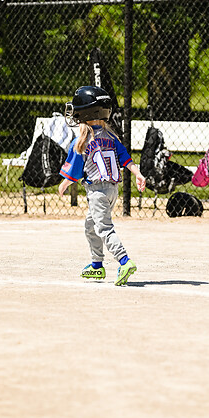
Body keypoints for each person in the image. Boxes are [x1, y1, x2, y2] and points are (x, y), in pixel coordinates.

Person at [58, 86, 146, 286]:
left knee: (104, 227)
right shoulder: (111, 137)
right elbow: (126, 159)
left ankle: (124, 261)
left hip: (97, 191)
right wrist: (138, 173)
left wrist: (64, 183)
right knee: (91, 226)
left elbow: (75, 169)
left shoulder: (81, 140)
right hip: (113, 191)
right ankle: (97, 266)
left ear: (86, 113)